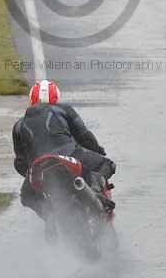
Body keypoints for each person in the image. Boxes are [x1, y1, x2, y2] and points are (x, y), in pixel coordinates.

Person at [13, 80, 116, 219]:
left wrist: (30, 171)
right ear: (56, 98)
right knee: (107, 164)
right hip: (68, 154)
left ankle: (49, 216)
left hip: (37, 167)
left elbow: (20, 162)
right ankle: (96, 192)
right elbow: (85, 137)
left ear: (31, 99)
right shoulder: (63, 109)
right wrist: (97, 150)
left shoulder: (18, 125)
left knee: (27, 196)